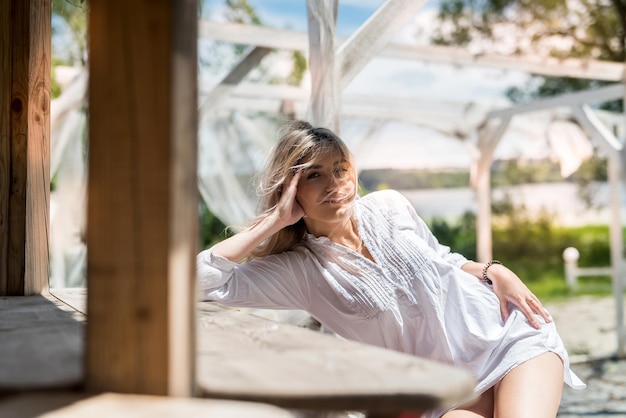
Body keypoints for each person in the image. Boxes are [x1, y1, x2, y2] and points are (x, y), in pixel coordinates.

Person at [196, 120, 585, 418]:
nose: (335, 184)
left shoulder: (389, 205)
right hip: (449, 385)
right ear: (291, 188)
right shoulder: (299, 271)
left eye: (340, 168)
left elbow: (443, 260)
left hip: (508, 336)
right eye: (314, 174)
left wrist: (496, 271)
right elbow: (196, 284)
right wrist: (272, 222)